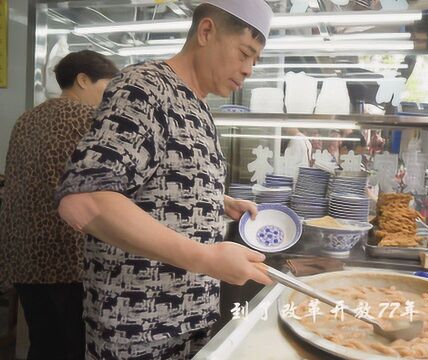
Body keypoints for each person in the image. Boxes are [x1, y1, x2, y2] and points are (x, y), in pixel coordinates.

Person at [55, 2, 274, 359]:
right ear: (206, 32)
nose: (249, 69)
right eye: (245, 53)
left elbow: (150, 179)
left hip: (190, 325)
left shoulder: (199, 106)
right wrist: (207, 258)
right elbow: (84, 200)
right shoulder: (144, 88)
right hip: (137, 332)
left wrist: (213, 200)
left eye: (256, 60)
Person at [0, 50, 118, 359]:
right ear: (82, 80)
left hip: (23, 255)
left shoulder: (26, 119)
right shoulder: (89, 119)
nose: (108, 98)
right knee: (73, 345)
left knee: (43, 341)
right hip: (68, 257)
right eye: (106, 88)